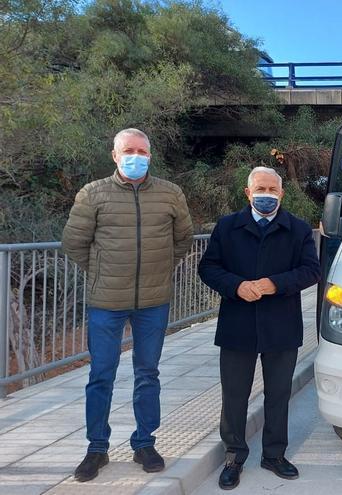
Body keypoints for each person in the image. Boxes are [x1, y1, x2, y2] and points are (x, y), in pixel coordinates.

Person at [61, 128, 193, 482]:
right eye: (129, 150)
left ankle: (144, 443)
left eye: (142, 151)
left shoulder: (170, 194)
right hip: (106, 302)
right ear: (115, 155)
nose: (136, 156)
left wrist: (160, 270)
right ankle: (96, 449)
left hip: (153, 301)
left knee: (147, 374)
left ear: (150, 154)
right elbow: (74, 243)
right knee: (101, 375)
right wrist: (104, 272)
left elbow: (182, 240)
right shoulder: (93, 194)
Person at [198, 166, 320, 490]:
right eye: (260, 188)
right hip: (238, 324)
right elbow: (208, 267)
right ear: (248, 192)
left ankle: (274, 454)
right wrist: (236, 286)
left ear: (281, 193)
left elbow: (311, 270)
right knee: (234, 395)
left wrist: (273, 284)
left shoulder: (297, 229)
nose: (266, 194)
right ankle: (234, 456)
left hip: (281, 324)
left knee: (279, 393)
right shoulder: (227, 227)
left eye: (272, 189)